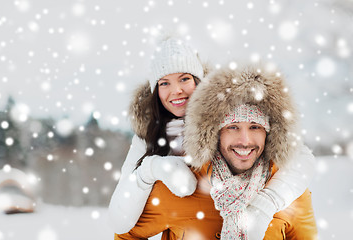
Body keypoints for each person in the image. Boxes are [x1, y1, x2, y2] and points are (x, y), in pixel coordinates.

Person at [109, 37, 316, 239]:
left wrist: (266, 203)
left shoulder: (285, 186)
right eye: (233, 127)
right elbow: (122, 225)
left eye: (255, 127)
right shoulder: (152, 143)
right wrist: (151, 168)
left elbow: (301, 157)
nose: (176, 90)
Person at [183, 64, 318, 239]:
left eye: (255, 127)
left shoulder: (291, 193)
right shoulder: (186, 187)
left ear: (269, 134)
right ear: (215, 134)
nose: (245, 141)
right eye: (233, 127)